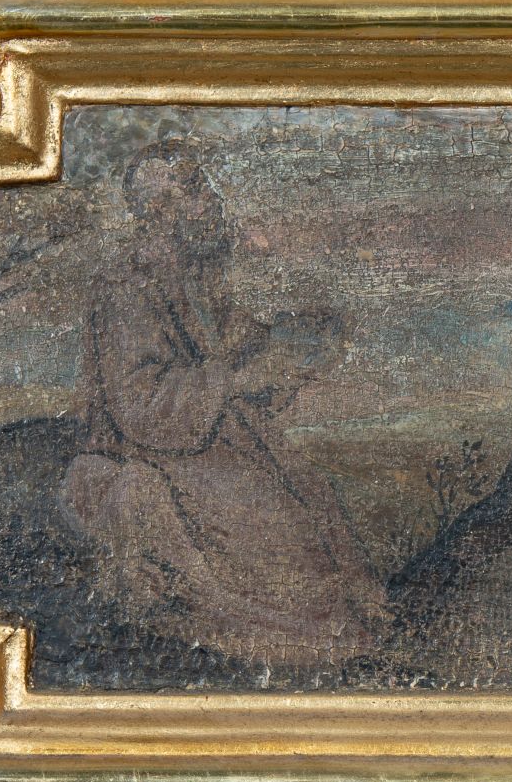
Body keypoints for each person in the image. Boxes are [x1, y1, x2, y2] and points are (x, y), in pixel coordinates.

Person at [57, 139, 393, 671]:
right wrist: (235, 380)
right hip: (154, 449)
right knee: (275, 529)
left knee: (310, 490)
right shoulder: (127, 285)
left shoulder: (195, 278)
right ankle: (307, 643)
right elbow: (140, 403)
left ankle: (354, 627)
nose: (212, 200)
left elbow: (239, 346)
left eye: (207, 186)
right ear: (160, 209)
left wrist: (290, 345)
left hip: (211, 440)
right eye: (195, 188)